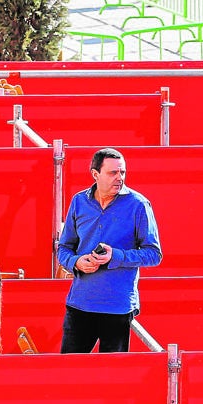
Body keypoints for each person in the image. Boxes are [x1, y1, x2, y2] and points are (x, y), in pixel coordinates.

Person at [58, 148, 163, 353]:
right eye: (113, 172)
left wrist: (115, 256)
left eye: (122, 172)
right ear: (95, 174)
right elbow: (64, 248)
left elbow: (154, 254)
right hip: (80, 304)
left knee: (113, 372)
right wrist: (76, 262)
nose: (119, 177)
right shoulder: (79, 201)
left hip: (118, 307)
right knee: (69, 370)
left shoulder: (139, 205)